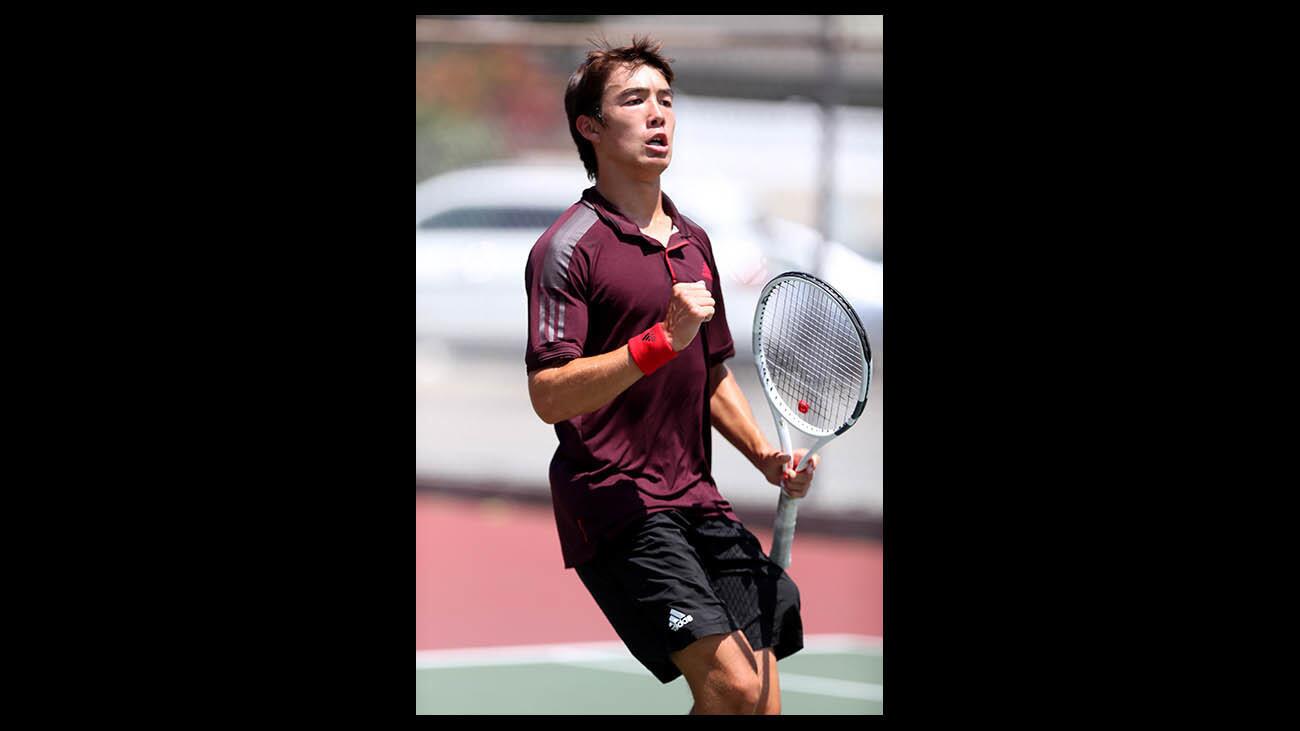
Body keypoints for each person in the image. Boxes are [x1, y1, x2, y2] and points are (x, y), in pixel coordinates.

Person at [524, 36, 820, 715]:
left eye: (665, 99)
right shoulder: (566, 249)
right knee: (732, 686)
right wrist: (657, 341)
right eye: (635, 100)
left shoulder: (694, 240)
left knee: (760, 701)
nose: (658, 114)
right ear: (590, 127)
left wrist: (767, 457)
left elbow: (710, 370)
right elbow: (548, 394)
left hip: (698, 497)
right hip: (617, 503)